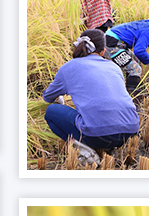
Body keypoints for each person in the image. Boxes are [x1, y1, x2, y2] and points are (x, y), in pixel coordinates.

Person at [42, 29, 140, 165]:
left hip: (96, 135)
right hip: (129, 131)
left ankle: (85, 151)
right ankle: (109, 149)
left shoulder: (68, 67)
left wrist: (59, 99)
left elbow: (47, 97)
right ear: (103, 51)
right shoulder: (114, 67)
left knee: (51, 112)